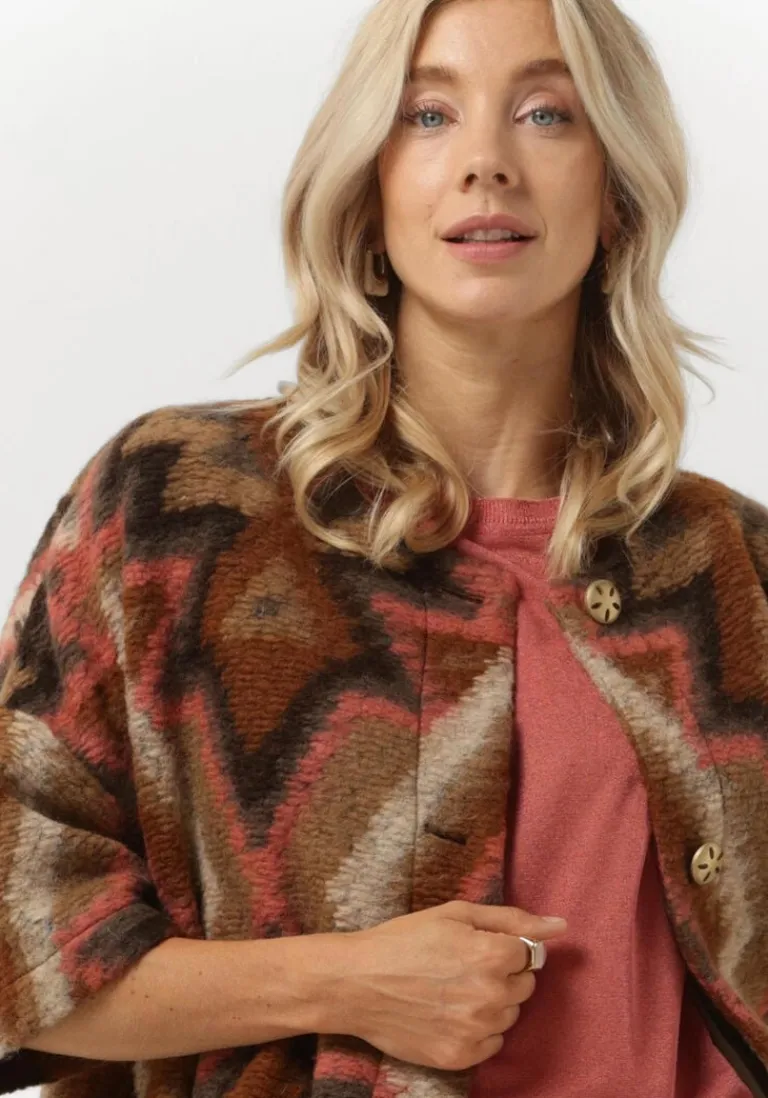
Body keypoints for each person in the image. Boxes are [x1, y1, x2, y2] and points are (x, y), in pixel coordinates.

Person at [1, 0, 766, 1096]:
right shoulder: (180, 513)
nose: (487, 162)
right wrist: (342, 984)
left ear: (618, 196)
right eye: (428, 114)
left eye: (547, 113)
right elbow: (17, 943)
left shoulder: (733, 569)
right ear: (366, 188)